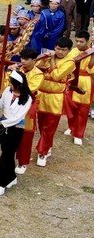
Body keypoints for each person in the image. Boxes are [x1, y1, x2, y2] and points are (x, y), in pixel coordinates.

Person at [0, 70, 30, 197]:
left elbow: (18, 116)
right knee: (6, 152)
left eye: (12, 84)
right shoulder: (7, 91)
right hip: (3, 124)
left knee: (8, 153)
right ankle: (11, 177)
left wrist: (1, 123)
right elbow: (0, 106)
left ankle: (1, 183)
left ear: (20, 85)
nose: (10, 86)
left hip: (16, 127)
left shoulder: (27, 98)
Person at [36, 37, 75, 167]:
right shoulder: (47, 56)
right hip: (41, 95)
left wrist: (51, 60)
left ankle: (43, 152)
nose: (59, 52)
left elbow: (56, 76)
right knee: (41, 125)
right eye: (57, 48)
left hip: (55, 98)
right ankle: (47, 145)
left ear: (69, 51)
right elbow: (36, 69)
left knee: (50, 126)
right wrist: (44, 60)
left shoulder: (70, 62)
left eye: (63, 50)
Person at [12, 47, 44, 174]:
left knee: (26, 135)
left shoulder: (38, 74)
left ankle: (23, 161)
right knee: (13, 132)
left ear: (34, 60)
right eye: (22, 58)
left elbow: (29, 89)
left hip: (28, 105)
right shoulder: (19, 69)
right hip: (14, 104)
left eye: (26, 59)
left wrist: (16, 77)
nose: (23, 61)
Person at [65, 30, 93, 145]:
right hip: (72, 80)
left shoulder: (91, 53)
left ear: (87, 41)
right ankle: (71, 127)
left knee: (83, 109)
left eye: (81, 41)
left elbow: (91, 69)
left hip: (85, 81)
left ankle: (79, 134)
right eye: (76, 41)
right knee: (71, 107)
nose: (78, 43)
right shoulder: (73, 51)